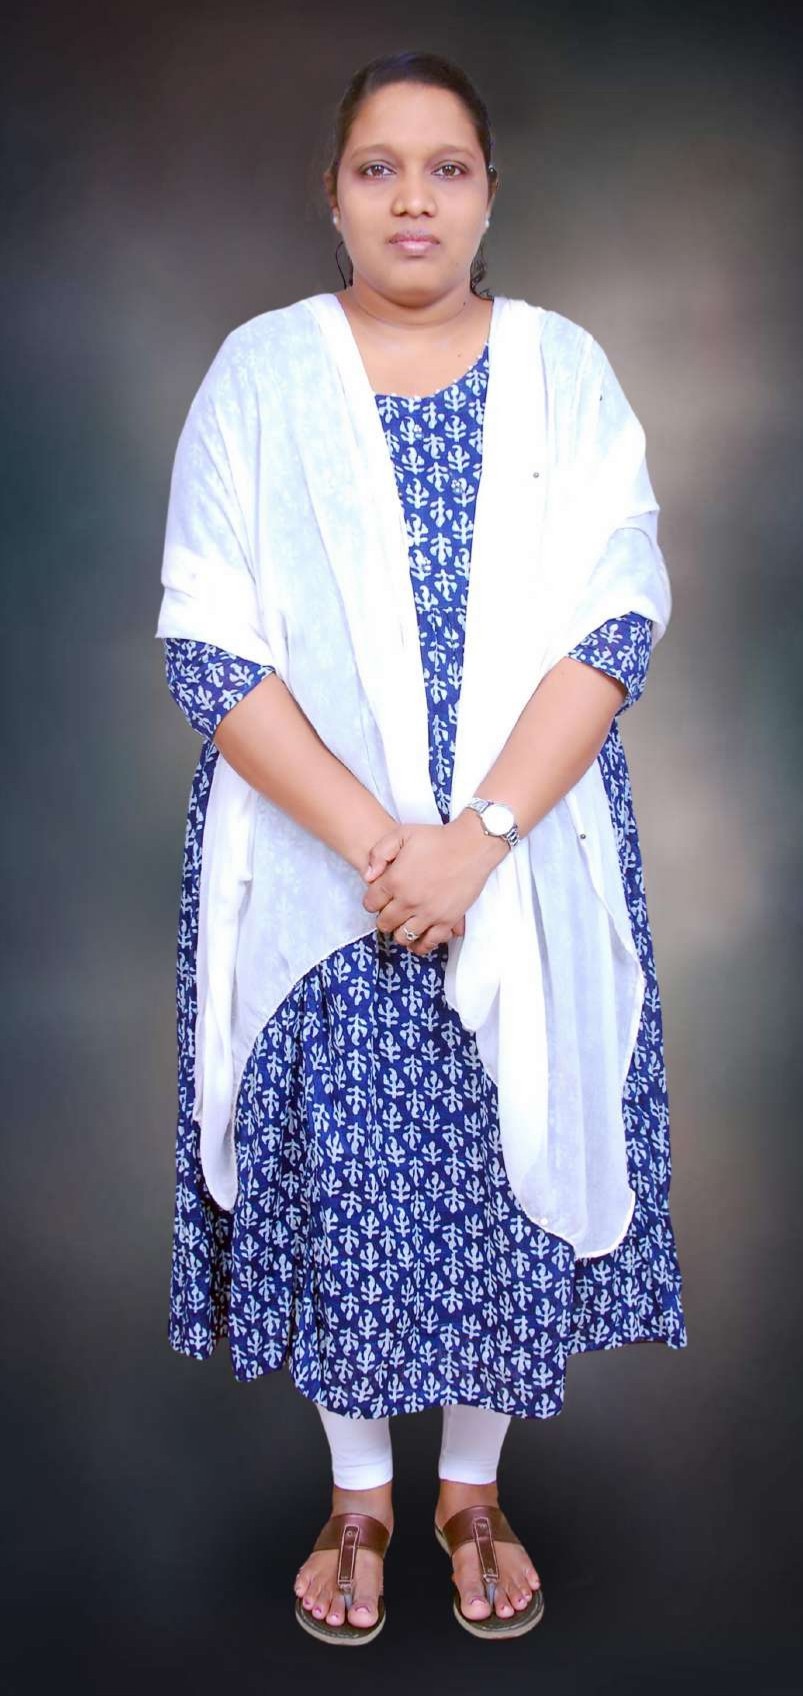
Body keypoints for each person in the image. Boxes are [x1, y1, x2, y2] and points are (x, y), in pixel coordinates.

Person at [155, 50, 688, 1646]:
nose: (411, 198)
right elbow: (208, 642)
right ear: (332, 194)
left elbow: (616, 615)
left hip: (519, 854)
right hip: (322, 869)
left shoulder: (564, 371)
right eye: (377, 166)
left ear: (489, 196)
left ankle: (469, 1489)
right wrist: (388, 850)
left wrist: (480, 840)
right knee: (348, 1182)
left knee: (498, 1174)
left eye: (446, 167)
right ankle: (355, 1495)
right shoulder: (259, 374)